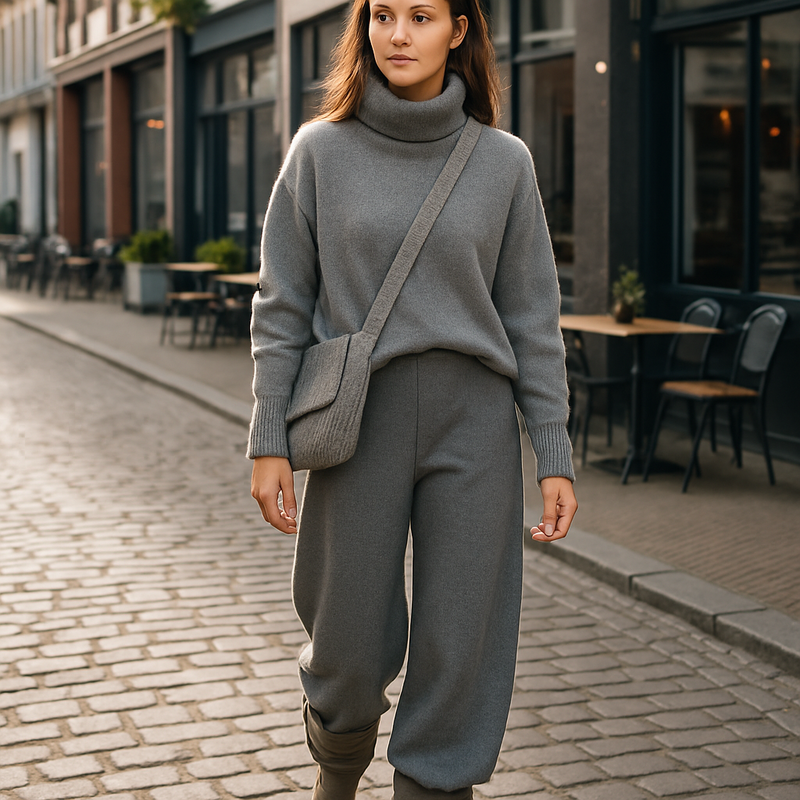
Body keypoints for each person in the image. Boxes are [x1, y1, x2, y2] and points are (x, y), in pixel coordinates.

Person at [249, 1, 578, 798]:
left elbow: (533, 317)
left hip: (476, 426)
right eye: (383, 15)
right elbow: (282, 304)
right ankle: (337, 771)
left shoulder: (505, 163)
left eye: (422, 16)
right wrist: (268, 438)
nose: (399, 34)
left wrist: (553, 452)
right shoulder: (320, 150)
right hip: (357, 419)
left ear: (457, 31)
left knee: (461, 645)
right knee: (348, 647)